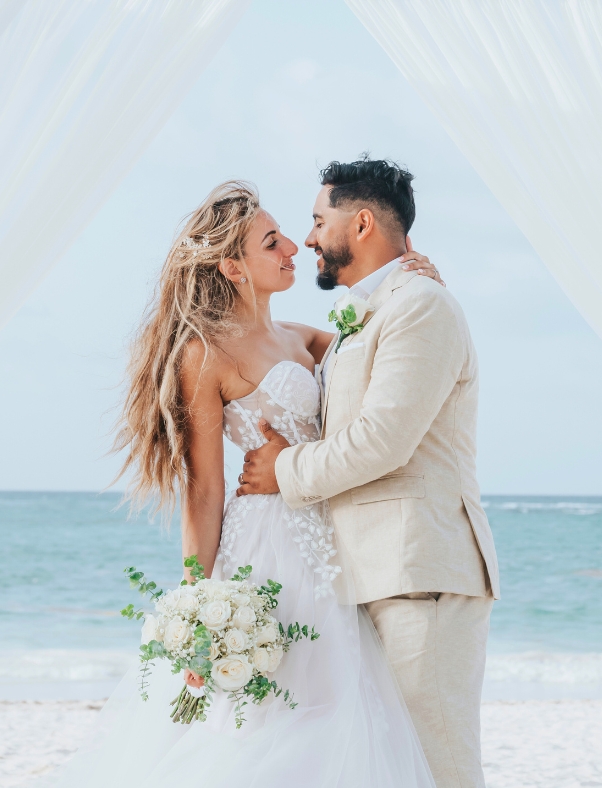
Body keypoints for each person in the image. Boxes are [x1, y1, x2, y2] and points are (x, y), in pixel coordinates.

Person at [44, 178, 443, 787]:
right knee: (266, 715)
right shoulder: (204, 354)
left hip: (334, 539)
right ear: (232, 265)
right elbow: (204, 489)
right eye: (271, 241)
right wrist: (196, 603)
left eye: (287, 233)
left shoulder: (304, 338)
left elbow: (387, 348)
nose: (292, 248)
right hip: (266, 543)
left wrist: (412, 279)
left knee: (341, 705)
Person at [237, 157, 500, 788]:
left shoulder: (421, 307)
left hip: (419, 574)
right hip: (364, 574)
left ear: (359, 224)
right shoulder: (374, 311)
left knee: (439, 767)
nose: (306, 239)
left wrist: (284, 470)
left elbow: (384, 440)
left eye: (317, 220)